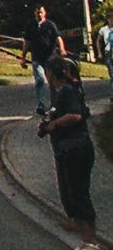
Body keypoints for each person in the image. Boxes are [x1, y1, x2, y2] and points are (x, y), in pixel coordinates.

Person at [40, 55, 98, 244]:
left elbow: (75, 115)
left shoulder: (69, 92)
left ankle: (91, 241)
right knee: (70, 193)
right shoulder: (60, 92)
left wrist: (54, 124)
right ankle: (77, 224)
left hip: (76, 148)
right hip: (66, 149)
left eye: (47, 71)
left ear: (50, 73)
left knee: (79, 193)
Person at [22, 4, 67, 117]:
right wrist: (23, 57)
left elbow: (58, 38)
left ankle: (54, 105)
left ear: (45, 13)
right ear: (35, 13)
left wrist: (62, 49)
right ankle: (41, 105)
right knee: (40, 79)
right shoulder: (31, 26)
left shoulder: (50, 25)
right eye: (37, 12)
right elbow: (27, 42)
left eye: (41, 12)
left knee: (52, 81)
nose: (39, 14)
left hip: (50, 58)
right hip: (36, 58)